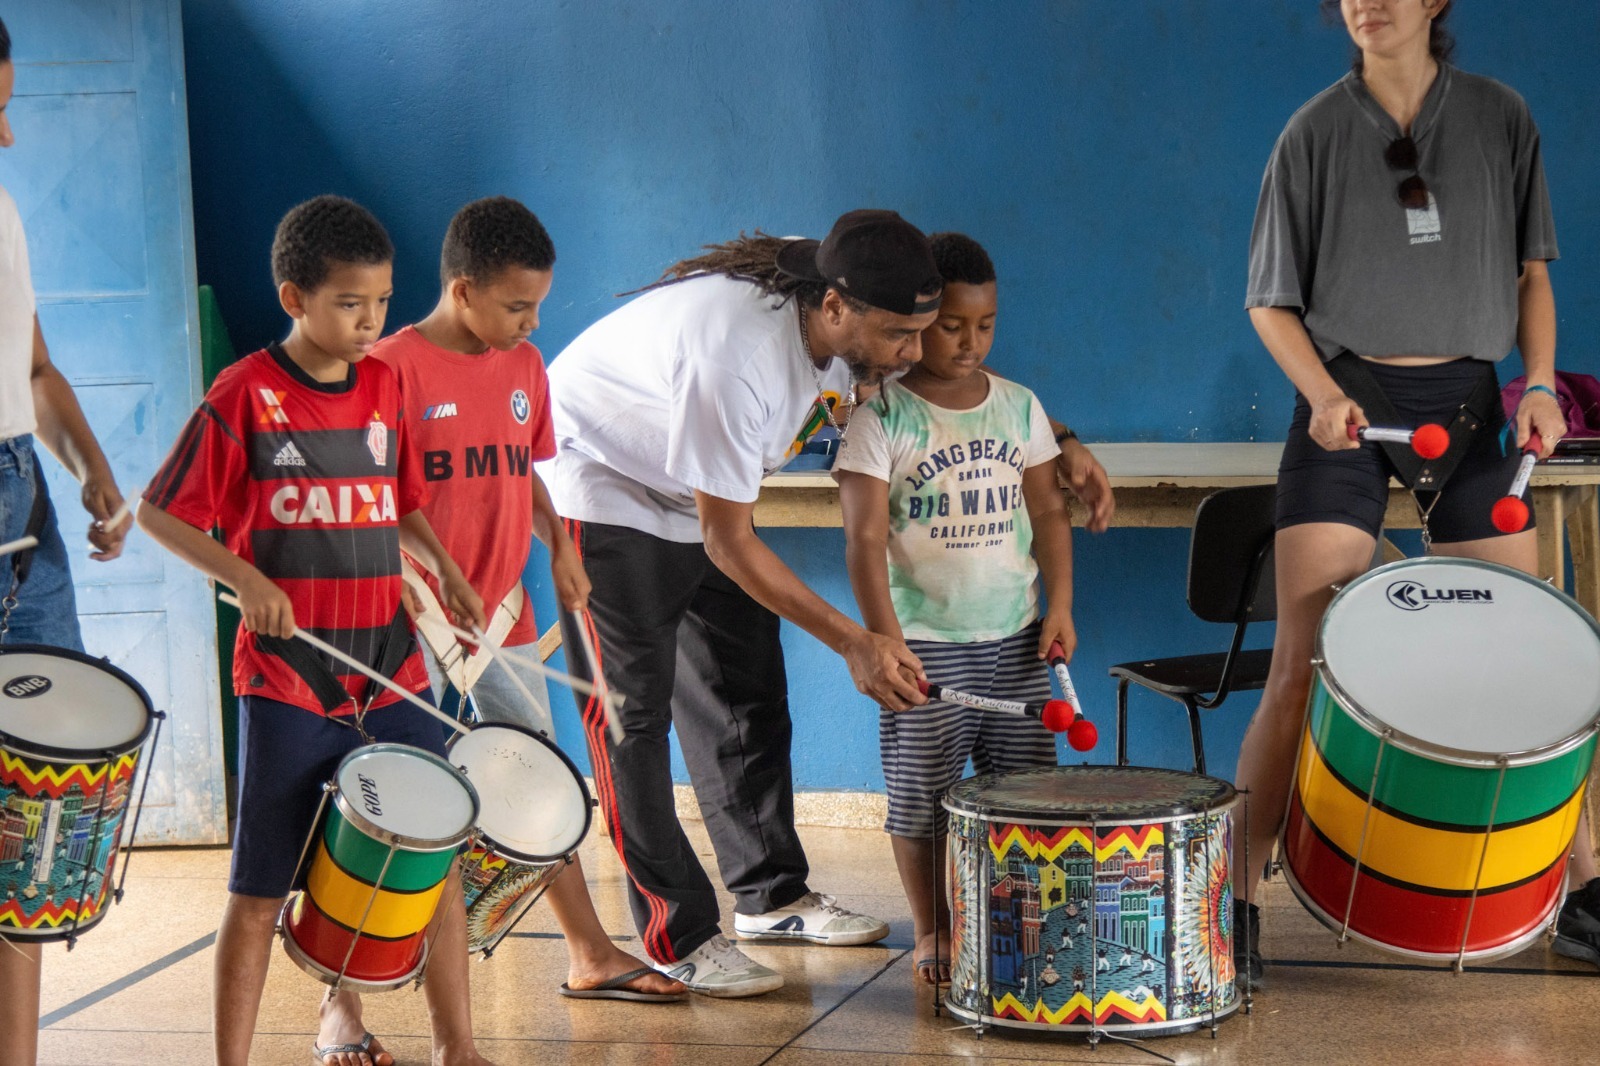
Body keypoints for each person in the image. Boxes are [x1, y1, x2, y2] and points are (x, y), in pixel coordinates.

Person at [1236, 0, 1596, 986]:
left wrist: (1535, 384)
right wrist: (1318, 397)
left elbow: (1531, 276)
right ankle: (1232, 907)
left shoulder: (1499, 117)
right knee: (1299, 664)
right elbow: (1267, 300)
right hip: (1349, 396)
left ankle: (1587, 891)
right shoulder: (1310, 132)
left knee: (1532, 672)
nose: (1366, 2)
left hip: (1475, 405)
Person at [543, 210, 957, 997]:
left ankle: (771, 897)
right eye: (902, 335)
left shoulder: (834, 293)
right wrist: (856, 642)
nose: (915, 351)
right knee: (631, 716)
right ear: (836, 309)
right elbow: (728, 542)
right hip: (601, 478)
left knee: (746, 687)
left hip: (690, 482)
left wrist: (1062, 443)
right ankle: (678, 935)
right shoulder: (736, 357)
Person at [137, 196, 495, 1066]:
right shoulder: (244, 395)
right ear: (294, 297)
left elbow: (398, 496)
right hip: (293, 678)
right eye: (348, 302)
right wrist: (245, 577)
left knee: (437, 864)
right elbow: (160, 514)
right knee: (262, 892)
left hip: (392, 668)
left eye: (380, 301)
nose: (371, 321)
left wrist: (444, 568)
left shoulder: (383, 385)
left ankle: (457, 1046)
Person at [370, 196, 684, 1003]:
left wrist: (564, 550)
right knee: (389, 793)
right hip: (411, 616)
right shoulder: (391, 370)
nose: (532, 323)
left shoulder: (522, 370)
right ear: (463, 289)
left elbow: (530, 473)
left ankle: (589, 952)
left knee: (537, 780)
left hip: (503, 611)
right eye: (517, 306)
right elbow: (376, 497)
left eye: (538, 305)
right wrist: (441, 576)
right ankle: (340, 998)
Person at [834, 232, 1074, 986]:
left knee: (1026, 797)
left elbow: (1050, 514)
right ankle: (934, 928)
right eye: (951, 326)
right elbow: (865, 541)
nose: (969, 342)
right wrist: (886, 640)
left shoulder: (1019, 407)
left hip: (1018, 641)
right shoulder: (883, 420)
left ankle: (1019, 919)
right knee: (922, 799)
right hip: (927, 646)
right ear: (922, 318)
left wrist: (1060, 606)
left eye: (986, 325)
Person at [0, 18, 133, 1066]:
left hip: (22, 493)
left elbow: (33, 368)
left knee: (38, 796)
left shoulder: (0, 204)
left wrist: (90, 468)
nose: (6, 138)